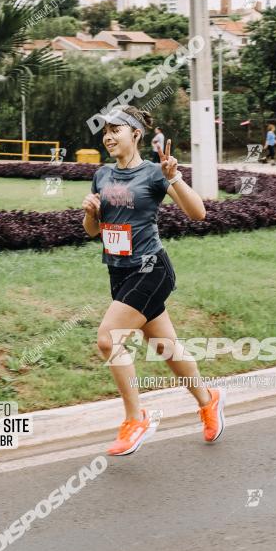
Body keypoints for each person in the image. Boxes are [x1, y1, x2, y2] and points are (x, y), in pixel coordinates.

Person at [82, 105, 226, 457]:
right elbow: (93, 232)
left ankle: (136, 418)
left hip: (151, 269)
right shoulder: (102, 176)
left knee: (107, 339)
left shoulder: (154, 173)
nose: (109, 137)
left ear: (136, 134)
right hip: (119, 272)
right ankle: (208, 401)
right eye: (105, 132)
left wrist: (174, 176)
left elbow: (198, 213)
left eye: (117, 130)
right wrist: (90, 213)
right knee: (166, 348)